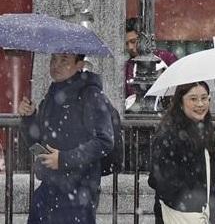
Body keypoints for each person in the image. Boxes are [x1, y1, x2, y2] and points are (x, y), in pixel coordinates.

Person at [18, 53, 115, 224]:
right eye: (53, 59)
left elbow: (105, 141)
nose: (56, 65)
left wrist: (63, 159)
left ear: (80, 65)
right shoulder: (51, 95)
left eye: (64, 60)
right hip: (48, 190)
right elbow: (36, 146)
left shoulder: (90, 95)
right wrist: (29, 118)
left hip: (78, 193)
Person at [149, 81, 215, 224]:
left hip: (203, 215)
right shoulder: (168, 134)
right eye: (193, 99)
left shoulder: (206, 132)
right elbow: (158, 179)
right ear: (180, 103)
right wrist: (192, 199)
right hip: (179, 215)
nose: (200, 104)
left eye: (204, 98)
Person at [124, 17, 178, 99]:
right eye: (126, 44)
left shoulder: (166, 58)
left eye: (133, 41)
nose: (130, 47)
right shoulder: (127, 67)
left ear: (143, 39)